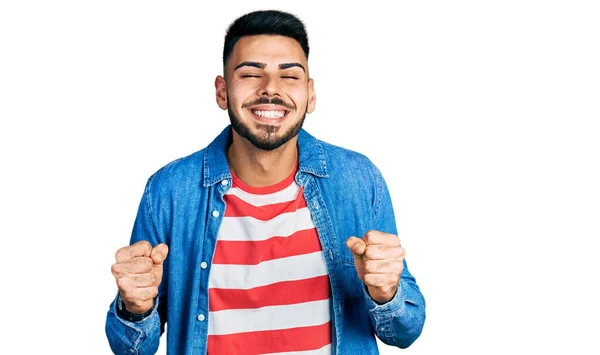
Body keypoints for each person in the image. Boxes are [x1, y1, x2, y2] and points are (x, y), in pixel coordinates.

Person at [105, 9, 426, 355]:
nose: (271, 89)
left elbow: (406, 330)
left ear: (311, 94)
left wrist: (387, 293)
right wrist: (135, 307)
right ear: (222, 91)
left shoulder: (358, 180)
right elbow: (131, 349)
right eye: (250, 73)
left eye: (289, 76)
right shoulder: (169, 192)